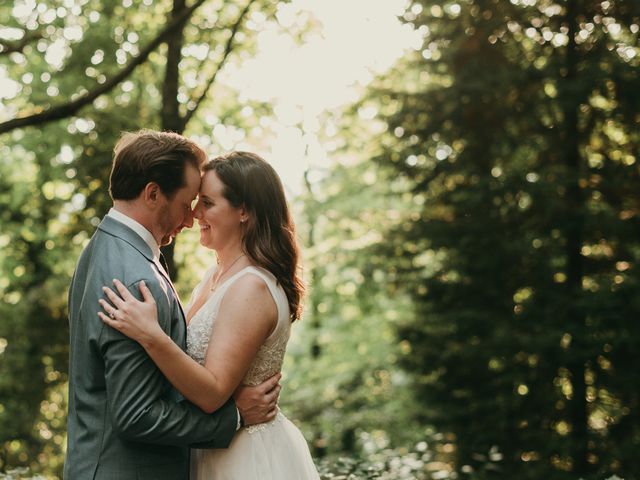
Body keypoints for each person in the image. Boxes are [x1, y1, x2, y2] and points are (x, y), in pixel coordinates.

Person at [65, 131, 279, 480]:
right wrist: (235, 416)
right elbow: (137, 415)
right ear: (152, 194)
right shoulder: (136, 279)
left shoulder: (101, 248)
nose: (191, 217)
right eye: (186, 203)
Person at [99, 151, 320, 479]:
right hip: (210, 447)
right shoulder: (216, 276)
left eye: (207, 203)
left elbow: (214, 391)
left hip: (244, 458)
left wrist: (150, 334)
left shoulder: (252, 287)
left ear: (243, 210)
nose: (194, 213)